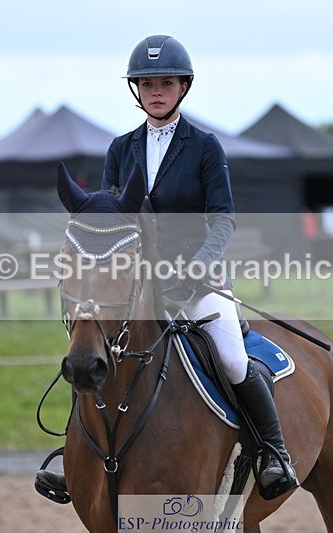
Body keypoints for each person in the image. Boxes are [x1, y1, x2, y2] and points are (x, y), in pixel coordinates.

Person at [37, 35, 297, 499]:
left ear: (183, 88)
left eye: (166, 83)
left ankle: (272, 453)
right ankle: (76, 458)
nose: (156, 90)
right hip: (139, 285)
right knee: (92, 351)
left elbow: (222, 218)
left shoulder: (204, 147)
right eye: (147, 83)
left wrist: (199, 266)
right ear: (137, 90)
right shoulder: (121, 148)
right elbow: (111, 215)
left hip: (198, 281)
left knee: (234, 358)